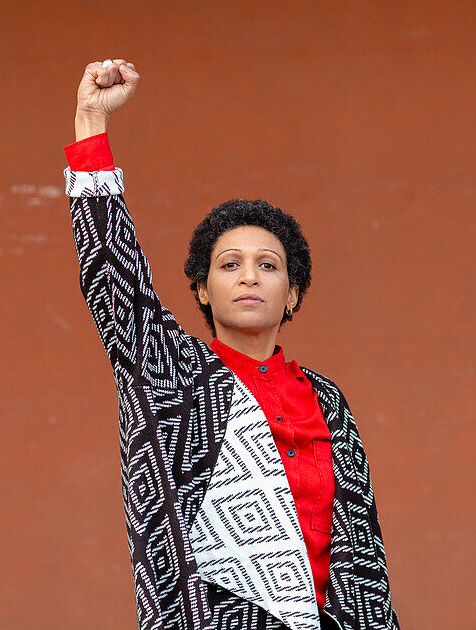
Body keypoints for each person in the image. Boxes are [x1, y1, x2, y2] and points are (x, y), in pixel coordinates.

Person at [64, 58, 400, 630]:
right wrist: (91, 125)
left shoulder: (326, 401)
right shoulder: (168, 371)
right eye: (230, 265)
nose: (249, 276)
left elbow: (365, 559)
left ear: (291, 295)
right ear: (202, 288)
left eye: (268, 266)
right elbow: (113, 281)